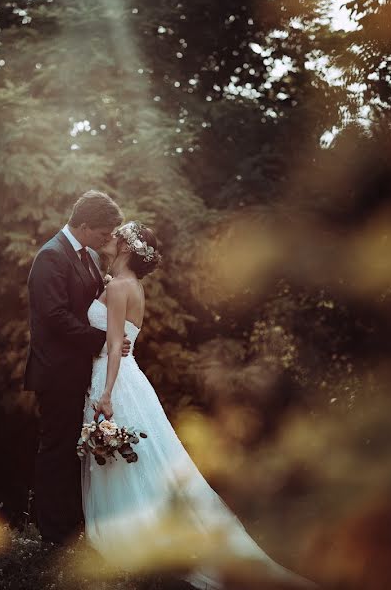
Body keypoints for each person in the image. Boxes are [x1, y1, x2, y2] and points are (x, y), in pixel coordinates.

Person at [82, 221, 313, 589]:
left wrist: (106, 393)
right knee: (137, 459)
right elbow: (116, 340)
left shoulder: (122, 287)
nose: (109, 239)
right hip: (125, 374)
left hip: (115, 379)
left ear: (126, 248)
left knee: (120, 457)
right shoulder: (125, 285)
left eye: (116, 236)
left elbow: (113, 345)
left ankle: (137, 538)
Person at [24, 190, 131, 545]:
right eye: (103, 234)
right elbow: (55, 317)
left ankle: (71, 525)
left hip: (80, 370)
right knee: (56, 448)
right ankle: (52, 533)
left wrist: (114, 337)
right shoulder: (50, 257)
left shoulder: (86, 257)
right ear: (84, 226)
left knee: (73, 449)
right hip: (55, 372)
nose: (107, 240)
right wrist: (103, 341)